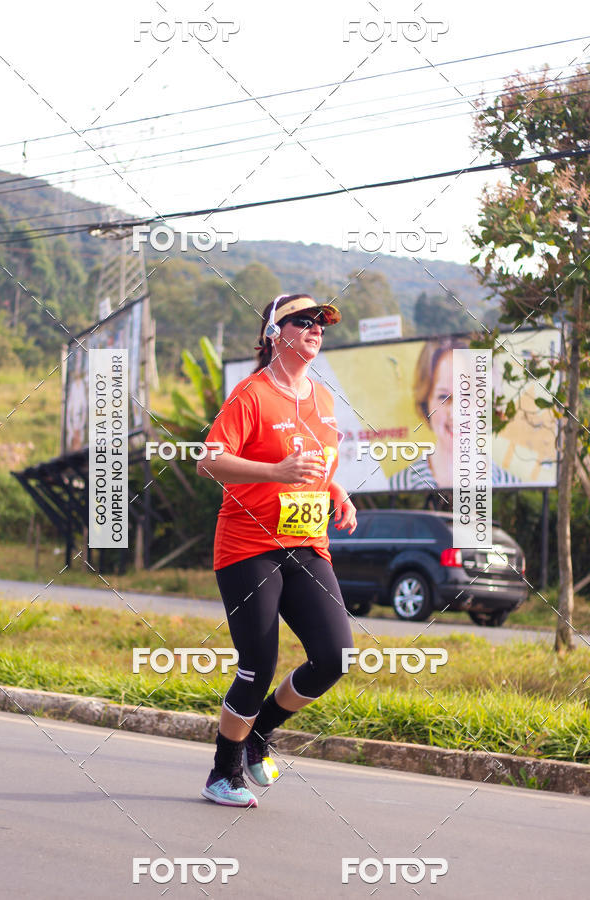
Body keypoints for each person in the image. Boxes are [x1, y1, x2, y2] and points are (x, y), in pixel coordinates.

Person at [196, 293, 358, 808]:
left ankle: (259, 735)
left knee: (334, 656)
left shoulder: (324, 399)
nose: (316, 329)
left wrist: (338, 493)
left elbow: (319, 464)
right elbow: (210, 461)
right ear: (275, 333)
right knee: (257, 664)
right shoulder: (251, 395)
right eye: (303, 321)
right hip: (249, 547)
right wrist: (273, 473)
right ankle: (223, 772)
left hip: (307, 543)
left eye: (321, 323)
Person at [388, 337, 520, 490]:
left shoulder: (514, 489)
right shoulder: (394, 488)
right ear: (426, 403)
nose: (455, 413)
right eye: (443, 397)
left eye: (468, 395)